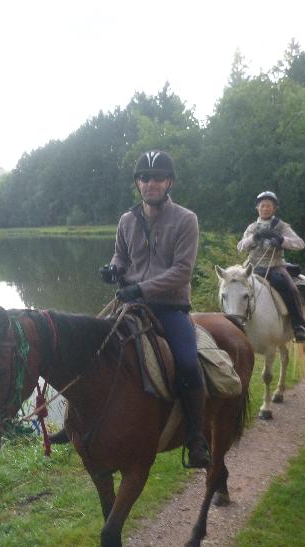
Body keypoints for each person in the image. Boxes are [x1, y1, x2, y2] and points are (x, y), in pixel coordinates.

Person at [98, 150, 210, 468]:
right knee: (94, 349)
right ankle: (80, 424)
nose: (151, 184)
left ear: (169, 182)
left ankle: (196, 438)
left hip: (170, 308)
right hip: (131, 305)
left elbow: (182, 271)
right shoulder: (127, 220)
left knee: (188, 363)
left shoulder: (186, 220)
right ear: (138, 183)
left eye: (158, 178)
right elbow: (121, 256)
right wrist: (113, 270)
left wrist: (141, 288)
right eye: (145, 178)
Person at [237, 191, 305, 342]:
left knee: (289, 286)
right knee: (232, 285)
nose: (265, 208)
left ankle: (298, 326)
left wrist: (282, 240)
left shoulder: (281, 226)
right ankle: (232, 322)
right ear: (257, 208)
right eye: (262, 205)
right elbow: (240, 247)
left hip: (274, 266)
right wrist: (254, 238)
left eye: (269, 206)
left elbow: (300, 243)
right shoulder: (252, 227)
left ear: (274, 209)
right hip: (252, 267)